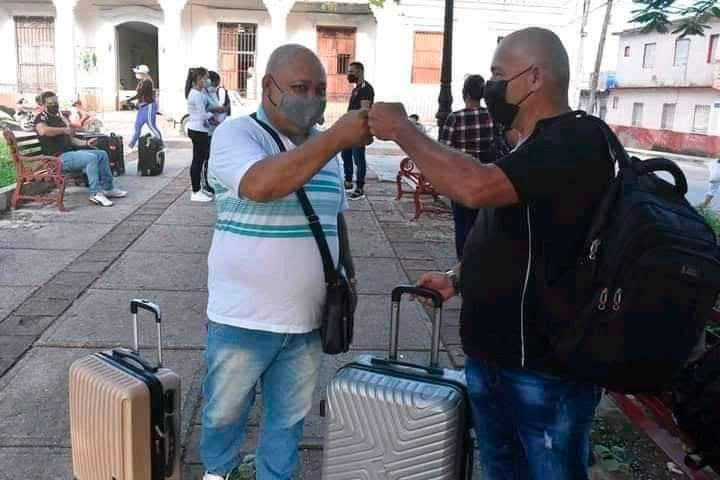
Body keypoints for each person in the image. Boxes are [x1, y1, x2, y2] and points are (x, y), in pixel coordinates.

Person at [368, 27, 613, 480]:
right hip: (494, 356)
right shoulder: (528, 146)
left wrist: (403, 130)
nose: (492, 85)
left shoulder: (574, 141)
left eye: (499, 74)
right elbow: (512, 236)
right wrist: (457, 278)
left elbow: (475, 187)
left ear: (534, 77)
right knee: (500, 469)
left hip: (544, 369)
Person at [200, 44, 369, 480]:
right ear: (268, 88)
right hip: (243, 318)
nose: (310, 97)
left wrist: (347, 274)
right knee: (223, 413)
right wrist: (334, 139)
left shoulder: (324, 152)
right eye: (299, 87)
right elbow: (260, 184)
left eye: (318, 89)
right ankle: (218, 473)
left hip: (307, 321)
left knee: (289, 420)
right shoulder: (237, 135)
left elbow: (335, 218)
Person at [35, 91, 127, 207]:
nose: (54, 105)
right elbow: (43, 130)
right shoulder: (41, 117)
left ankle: (108, 188)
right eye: (50, 103)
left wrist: (86, 143)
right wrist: (63, 130)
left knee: (101, 154)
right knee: (91, 158)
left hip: (69, 154)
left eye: (55, 102)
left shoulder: (58, 118)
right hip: (57, 159)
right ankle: (95, 193)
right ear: (43, 105)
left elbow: (71, 139)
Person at [439, 74, 494, 259]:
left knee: (462, 225)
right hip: (489, 180)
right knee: (484, 225)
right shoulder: (493, 117)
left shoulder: (455, 118)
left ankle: (463, 265)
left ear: (465, 93)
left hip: (462, 182)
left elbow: (443, 150)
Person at [185, 67, 225, 202]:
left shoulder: (198, 93)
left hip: (199, 129)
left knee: (199, 160)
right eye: (205, 77)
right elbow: (202, 115)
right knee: (198, 161)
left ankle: (198, 189)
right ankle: (195, 191)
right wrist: (213, 119)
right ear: (199, 79)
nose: (207, 80)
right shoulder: (196, 94)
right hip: (197, 130)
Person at [342, 61, 374, 200]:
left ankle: (359, 188)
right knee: (345, 155)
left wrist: (363, 131)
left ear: (360, 72)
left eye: (352, 72)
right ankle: (348, 182)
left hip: (358, 130)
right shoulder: (356, 88)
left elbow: (364, 110)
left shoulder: (365, 88)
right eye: (349, 72)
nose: (349, 74)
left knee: (358, 159)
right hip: (350, 129)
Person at [128, 78, 162, 150]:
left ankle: (161, 143)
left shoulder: (147, 82)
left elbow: (140, 94)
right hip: (142, 108)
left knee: (152, 126)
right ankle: (131, 144)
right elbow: (139, 94)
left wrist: (129, 100)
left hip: (148, 107)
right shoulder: (141, 82)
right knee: (137, 126)